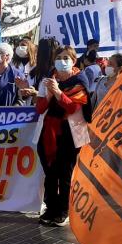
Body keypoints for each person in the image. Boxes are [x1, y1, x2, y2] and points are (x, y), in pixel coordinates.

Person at [35, 46, 89, 227]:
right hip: (48, 132)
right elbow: (40, 108)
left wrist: (58, 92)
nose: (62, 60)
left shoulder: (79, 80)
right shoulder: (48, 80)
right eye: (59, 57)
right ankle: (51, 208)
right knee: (50, 173)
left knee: (64, 174)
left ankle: (63, 211)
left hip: (69, 133)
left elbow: (73, 107)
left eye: (66, 57)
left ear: (74, 61)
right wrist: (49, 94)